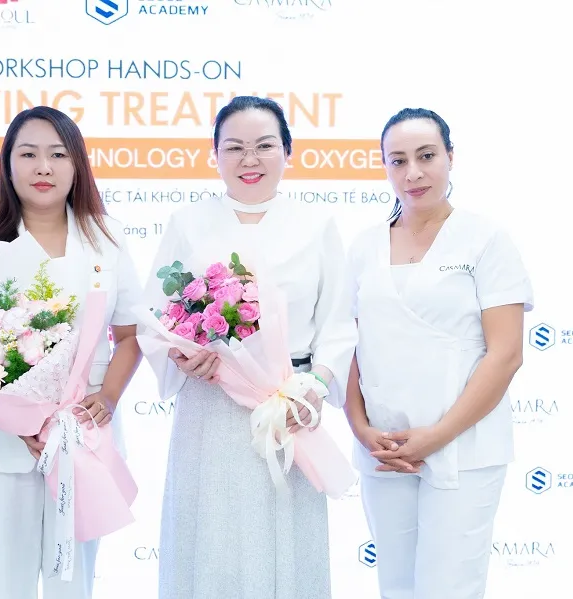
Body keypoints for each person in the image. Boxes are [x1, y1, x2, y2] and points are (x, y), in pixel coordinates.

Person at [141, 96, 358, 599]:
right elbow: (155, 315)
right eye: (234, 147)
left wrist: (315, 385)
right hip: (212, 404)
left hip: (289, 404)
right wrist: (180, 355)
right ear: (214, 154)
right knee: (211, 538)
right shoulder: (188, 222)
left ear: (288, 151)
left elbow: (338, 325)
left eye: (264, 146)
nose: (249, 159)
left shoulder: (316, 224)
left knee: (286, 539)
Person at [0, 105, 143, 599]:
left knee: (72, 583)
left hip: (81, 435)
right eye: (28, 154)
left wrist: (108, 398)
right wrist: (21, 420)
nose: (43, 167)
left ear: (77, 164)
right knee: (4, 584)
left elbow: (130, 335)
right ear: (8, 163)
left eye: (58, 154)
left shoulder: (106, 236)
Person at [344, 108, 533, 599]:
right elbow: (349, 347)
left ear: (450, 157)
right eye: (398, 160)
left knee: (450, 587)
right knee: (396, 586)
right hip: (385, 450)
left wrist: (437, 437)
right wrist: (360, 427)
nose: (413, 173)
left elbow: (506, 354)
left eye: (426, 156)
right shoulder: (364, 247)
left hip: (464, 446)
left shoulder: (485, 239)